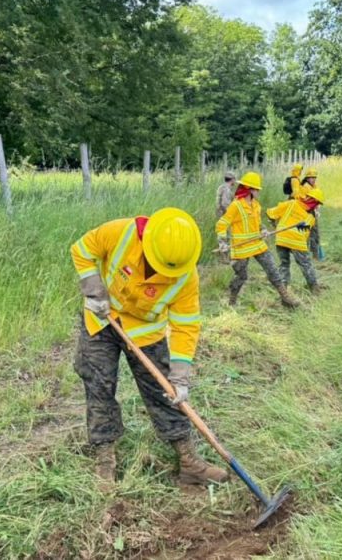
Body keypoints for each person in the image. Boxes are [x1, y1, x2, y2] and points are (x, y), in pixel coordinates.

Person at [70, 208, 228, 488]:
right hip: (102, 319)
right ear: (146, 241)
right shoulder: (119, 232)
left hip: (145, 333)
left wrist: (179, 376)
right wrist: (94, 288)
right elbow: (82, 249)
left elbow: (185, 325)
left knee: (165, 392)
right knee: (99, 385)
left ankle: (189, 463)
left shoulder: (185, 277)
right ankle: (104, 457)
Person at [216, 172, 299, 308]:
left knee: (272, 269)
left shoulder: (256, 205)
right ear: (249, 190)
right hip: (241, 247)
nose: (258, 192)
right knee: (241, 276)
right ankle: (232, 301)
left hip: (258, 244)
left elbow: (258, 223)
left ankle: (286, 298)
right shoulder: (236, 206)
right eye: (256, 189)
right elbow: (222, 224)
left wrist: (263, 230)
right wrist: (222, 242)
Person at [267, 187, 325, 294]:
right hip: (297, 241)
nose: (318, 206)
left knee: (283, 264)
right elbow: (304, 233)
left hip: (281, 238)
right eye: (318, 204)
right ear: (315, 202)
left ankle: (283, 290)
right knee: (306, 264)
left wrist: (274, 224)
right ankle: (314, 289)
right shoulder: (311, 217)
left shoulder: (291, 203)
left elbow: (271, 213)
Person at [300, 168, 323, 259]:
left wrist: (317, 210)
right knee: (306, 234)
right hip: (306, 213)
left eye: (314, 177)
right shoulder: (304, 187)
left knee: (315, 234)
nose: (313, 179)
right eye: (311, 177)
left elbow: (317, 199)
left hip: (313, 212)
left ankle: (315, 254)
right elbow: (304, 201)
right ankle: (304, 254)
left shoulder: (314, 186)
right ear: (307, 178)